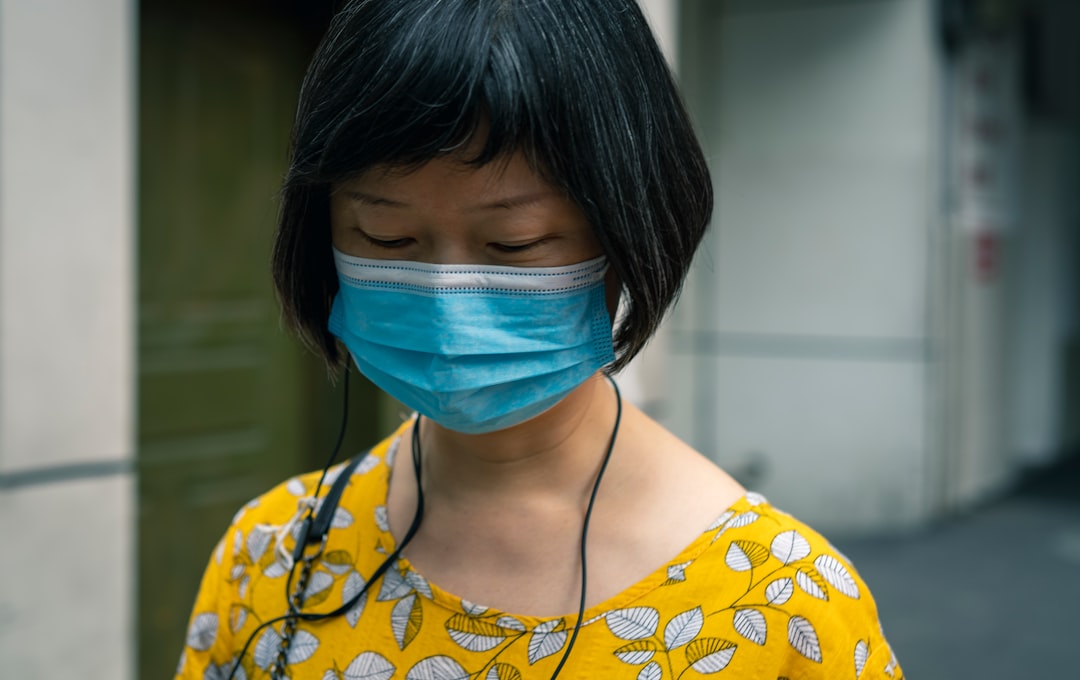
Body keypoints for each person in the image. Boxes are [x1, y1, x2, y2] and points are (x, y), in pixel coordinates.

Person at [176, 1, 903, 678]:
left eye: (514, 243)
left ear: (629, 232)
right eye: (387, 236)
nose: (445, 298)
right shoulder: (274, 557)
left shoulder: (781, 609)